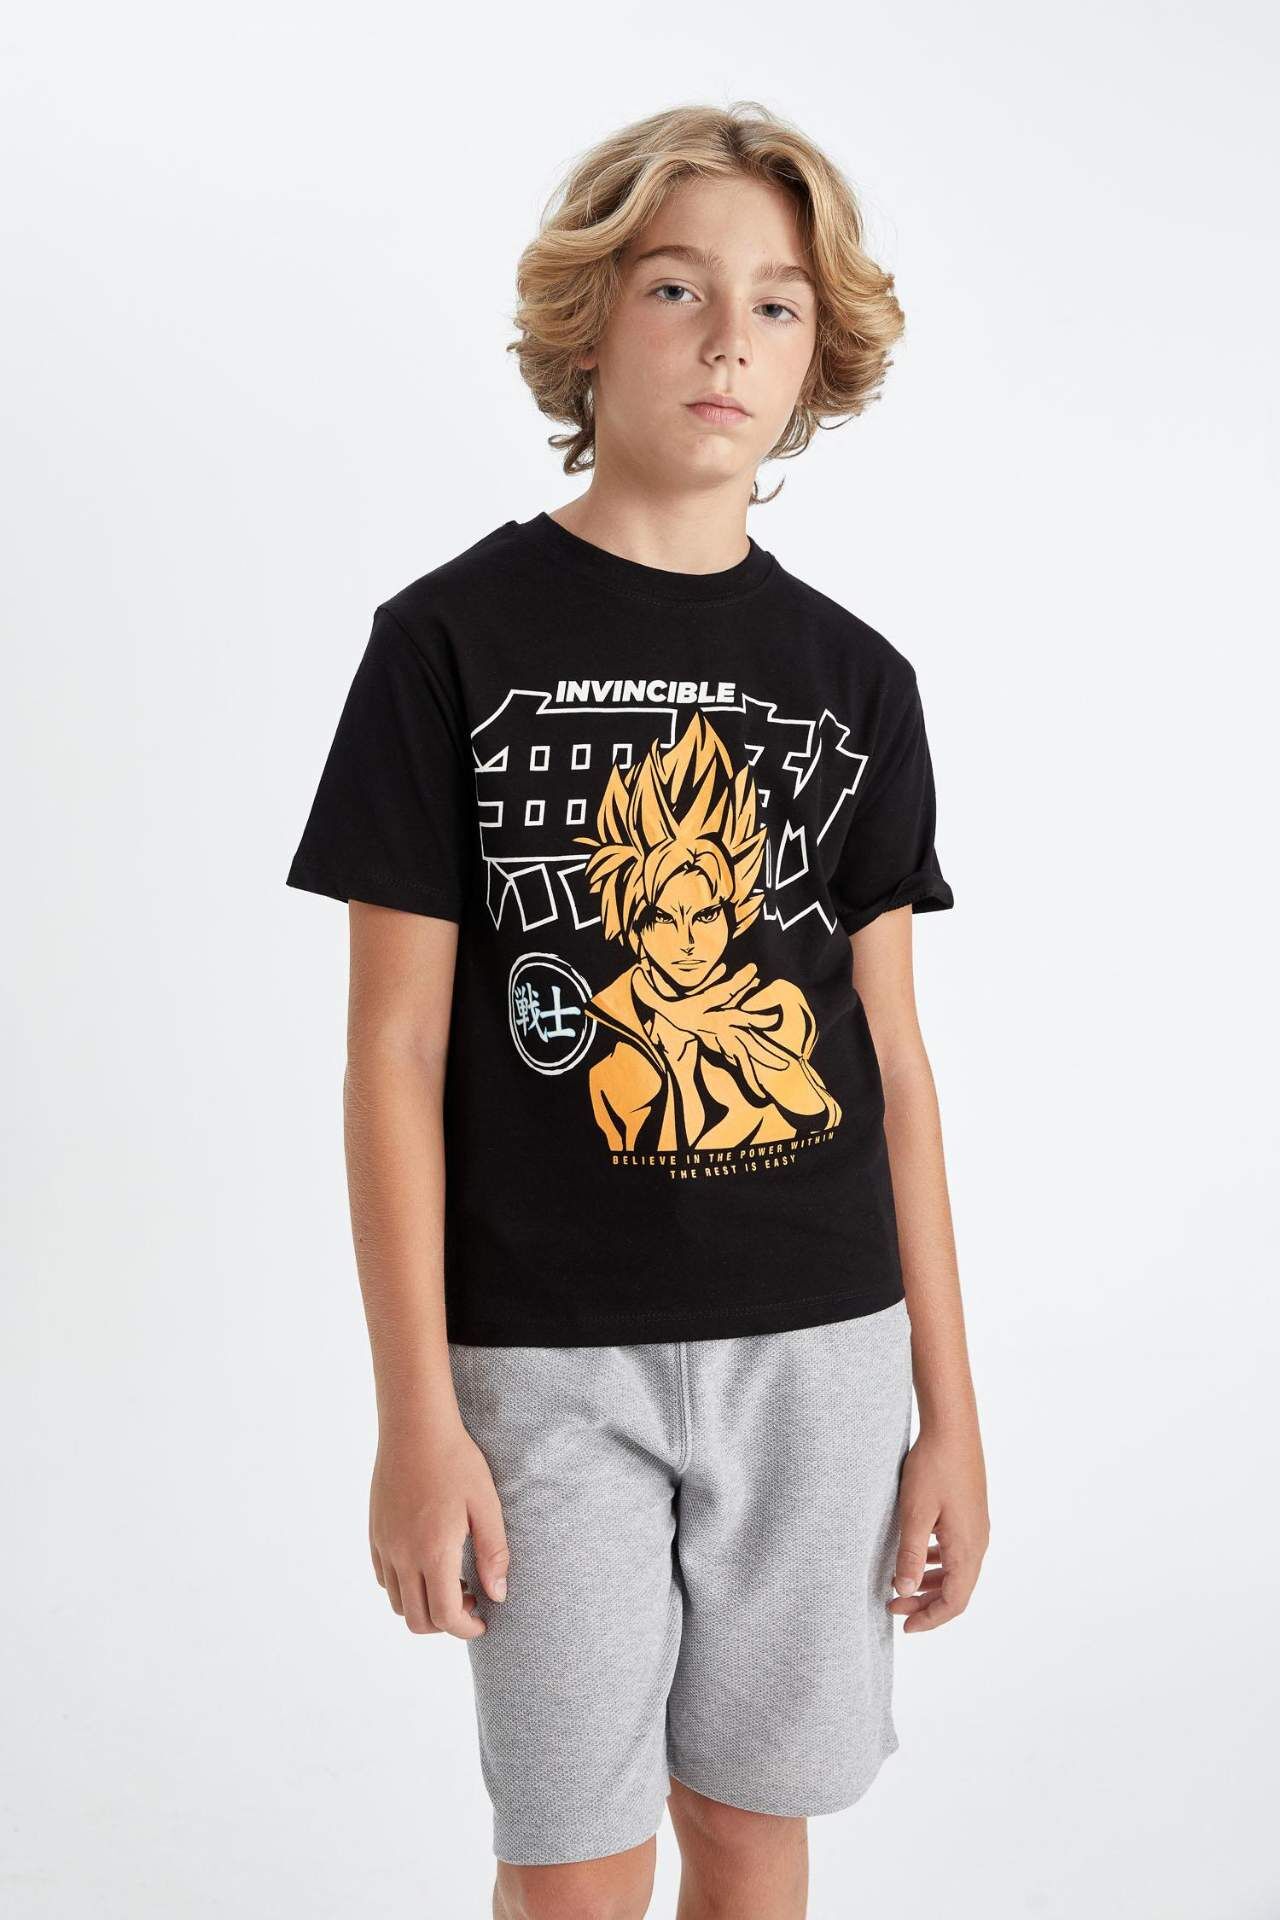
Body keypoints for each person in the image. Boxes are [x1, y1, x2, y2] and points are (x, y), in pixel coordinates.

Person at [286, 99, 989, 1920]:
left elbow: (896, 1067)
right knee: (571, 1864)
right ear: (592, 320)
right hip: (540, 1372)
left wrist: (950, 1410)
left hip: (820, 1355)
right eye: (679, 287)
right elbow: (393, 1054)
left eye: (776, 303)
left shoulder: (858, 680)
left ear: (818, 356)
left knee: (754, 1833)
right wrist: (414, 1414)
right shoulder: (445, 646)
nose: (728, 338)